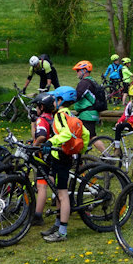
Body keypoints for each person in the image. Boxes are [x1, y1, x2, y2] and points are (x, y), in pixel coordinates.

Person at [43, 86, 91, 242]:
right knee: (58, 192)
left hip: (61, 157)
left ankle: (62, 231)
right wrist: (79, 149)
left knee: (63, 195)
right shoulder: (71, 114)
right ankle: (57, 224)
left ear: (59, 101)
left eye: (55, 100)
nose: (53, 103)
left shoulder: (60, 116)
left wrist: (51, 141)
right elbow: (86, 133)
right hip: (65, 156)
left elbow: (65, 134)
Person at [30, 93, 57, 227]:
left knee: (41, 185)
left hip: (44, 155)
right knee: (52, 180)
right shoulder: (53, 118)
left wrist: (33, 147)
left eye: (37, 106)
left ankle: (37, 216)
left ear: (41, 106)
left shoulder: (42, 120)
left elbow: (39, 137)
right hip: (55, 154)